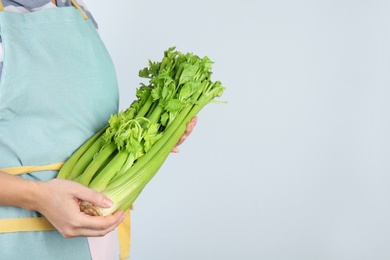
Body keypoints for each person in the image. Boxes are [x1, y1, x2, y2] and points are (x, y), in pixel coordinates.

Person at [0, 1, 197, 259]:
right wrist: (38, 197)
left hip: (96, 244)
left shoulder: (78, 13)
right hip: (18, 242)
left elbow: (77, 123)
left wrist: (157, 133)